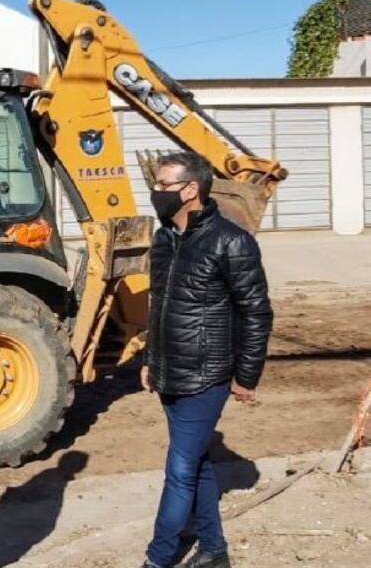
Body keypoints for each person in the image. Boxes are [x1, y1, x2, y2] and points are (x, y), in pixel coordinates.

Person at [140, 152, 273, 568]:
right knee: (195, 463)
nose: (155, 192)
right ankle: (214, 551)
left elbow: (256, 312)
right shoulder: (163, 240)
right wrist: (150, 360)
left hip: (206, 375)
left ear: (190, 189)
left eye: (163, 185)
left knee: (179, 470)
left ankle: (158, 559)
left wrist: (246, 376)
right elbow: (158, 307)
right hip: (169, 372)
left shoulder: (232, 242)